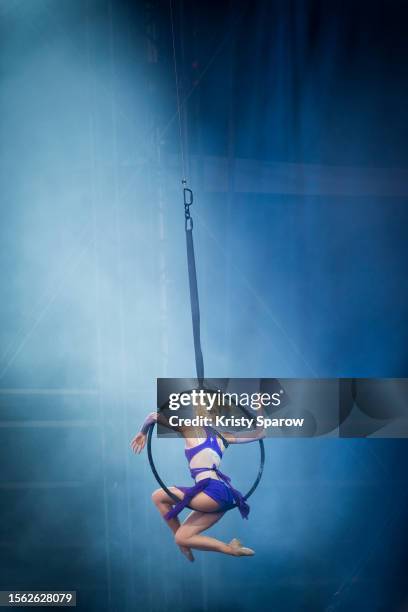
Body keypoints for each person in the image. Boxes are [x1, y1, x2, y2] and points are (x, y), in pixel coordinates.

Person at [131, 401, 265, 561]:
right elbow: (260, 433)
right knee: (181, 536)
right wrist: (259, 407)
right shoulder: (224, 437)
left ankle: (183, 546)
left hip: (211, 494)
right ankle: (230, 549)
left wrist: (143, 432)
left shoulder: (190, 429)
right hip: (221, 497)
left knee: (157, 496)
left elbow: (153, 416)